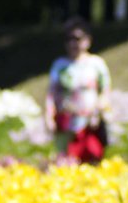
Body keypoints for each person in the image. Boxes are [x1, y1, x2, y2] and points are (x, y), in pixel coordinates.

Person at [44, 17, 111, 164]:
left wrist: (98, 112)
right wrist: (49, 116)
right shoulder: (60, 65)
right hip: (65, 122)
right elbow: (51, 93)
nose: (73, 43)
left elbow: (105, 92)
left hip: (90, 123)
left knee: (91, 159)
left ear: (88, 40)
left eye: (77, 38)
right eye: (69, 39)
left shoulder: (97, 64)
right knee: (65, 161)